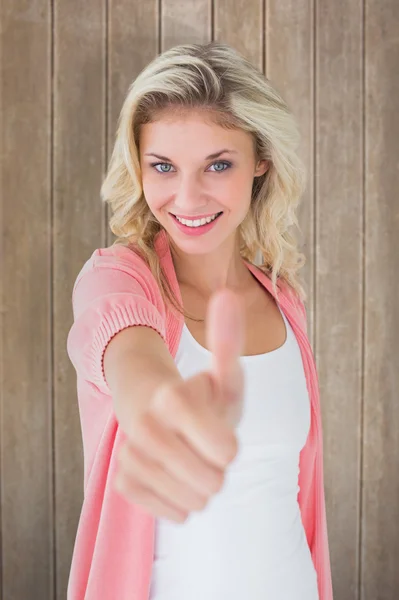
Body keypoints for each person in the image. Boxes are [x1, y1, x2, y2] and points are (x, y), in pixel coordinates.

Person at [66, 42, 333, 600]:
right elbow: (132, 356)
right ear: (138, 166)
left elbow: (295, 500)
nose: (187, 197)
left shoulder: (285, 301)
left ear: (260, 160)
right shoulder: (119, 279)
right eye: (163, 166)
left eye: (218, 164)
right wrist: (163, 410)